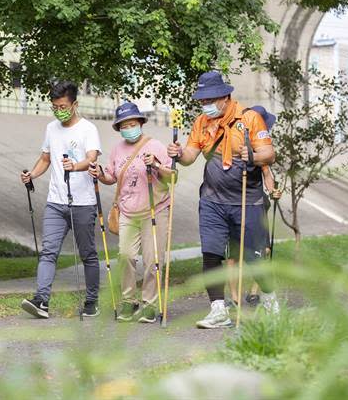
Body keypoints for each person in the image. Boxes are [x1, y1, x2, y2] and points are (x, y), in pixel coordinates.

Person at [167, 71, 279, 329]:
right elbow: (190, 156)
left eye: (211, 99)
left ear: (226, 97)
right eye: (202, 100)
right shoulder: (202, 122)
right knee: (211, 254)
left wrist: (250, 155)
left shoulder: (249, 118)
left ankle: (270, 301)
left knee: (253, 258)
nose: (205, 104)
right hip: (212, 200)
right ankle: (219, 311)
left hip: (246, 200)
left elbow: (269, 154)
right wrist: (179, 152)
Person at [20, 81, 102, 319]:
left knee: (87, 254)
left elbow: (92, 158)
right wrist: (31, 174)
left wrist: (75, 166)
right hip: (56, 202)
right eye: (54, 107)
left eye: (63, 106)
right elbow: (45, 158)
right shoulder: (51, 129)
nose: (59, 111)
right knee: (48, 251)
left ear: (74, 104)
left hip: (83, 202)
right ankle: (41, 301)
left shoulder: (88, 129)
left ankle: (91, 301)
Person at [89, 102, 174, 323]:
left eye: (132, 123)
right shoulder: (117, 150)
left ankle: (150, 303)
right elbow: (111, 177)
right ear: (119, 128)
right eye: (124, 125)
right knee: (125, 255)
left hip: (156, 210)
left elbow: (172, 177)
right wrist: (99, 173)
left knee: (152, 259)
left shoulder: (155, 146)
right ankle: (128, 300)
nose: (129, 128)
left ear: (140, 123)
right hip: (128, 210)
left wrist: (155, 165)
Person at [225, 106, 282, 306]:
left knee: (261, 251)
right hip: (233, 203)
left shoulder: (260, 152)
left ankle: (255, 291)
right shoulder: (233, 144)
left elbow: (267, 174)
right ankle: (233, 297)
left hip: (257, 206)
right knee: (233, 255)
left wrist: (272, 191)